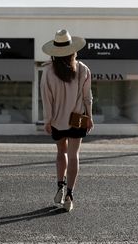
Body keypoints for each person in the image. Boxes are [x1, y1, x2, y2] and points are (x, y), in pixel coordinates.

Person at [41, 29, 93, 212]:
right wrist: (90, 117)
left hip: (57, 121)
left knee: (61, 152)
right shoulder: (84, 69)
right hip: (77, 120)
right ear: (73, 49)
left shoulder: (47, 71)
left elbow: (46, 99)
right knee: (74, 155)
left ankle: (59, 187)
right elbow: (88, 97)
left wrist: (47, 120)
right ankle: (70, 196)